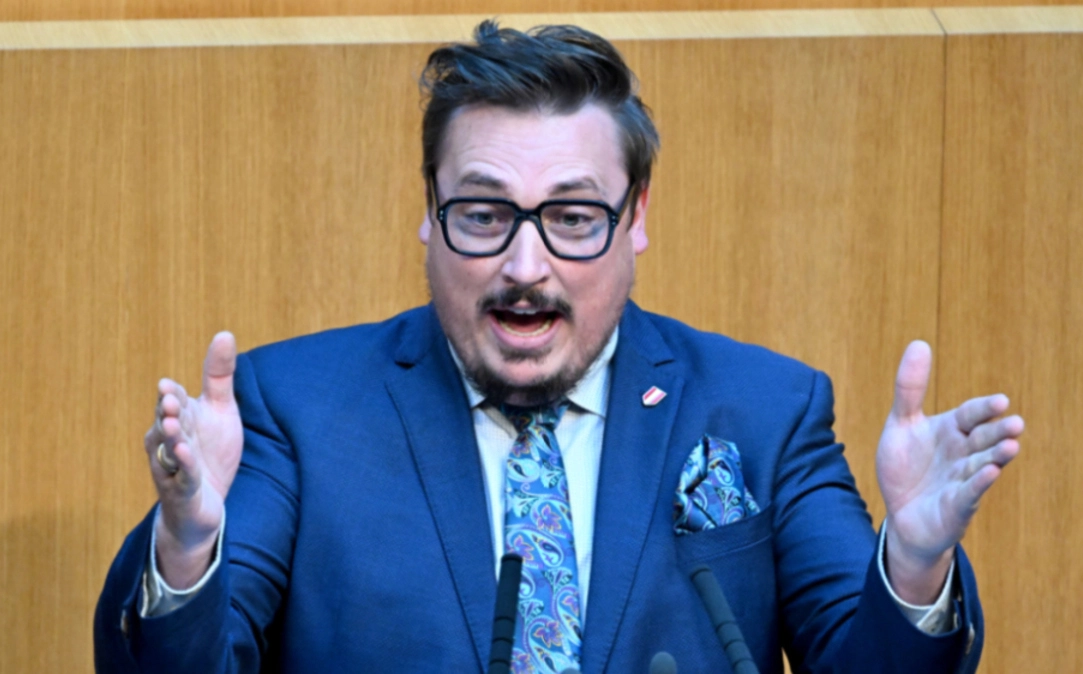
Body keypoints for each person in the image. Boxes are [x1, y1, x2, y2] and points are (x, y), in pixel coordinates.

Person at [94, 21, 1023, 674]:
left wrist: (912, 567)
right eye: (484, 214)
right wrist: (188, 548)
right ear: (429, 212)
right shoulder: (299, 407)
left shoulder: (764, 410)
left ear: (636, 217)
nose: (525, 266)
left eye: (574, 217)